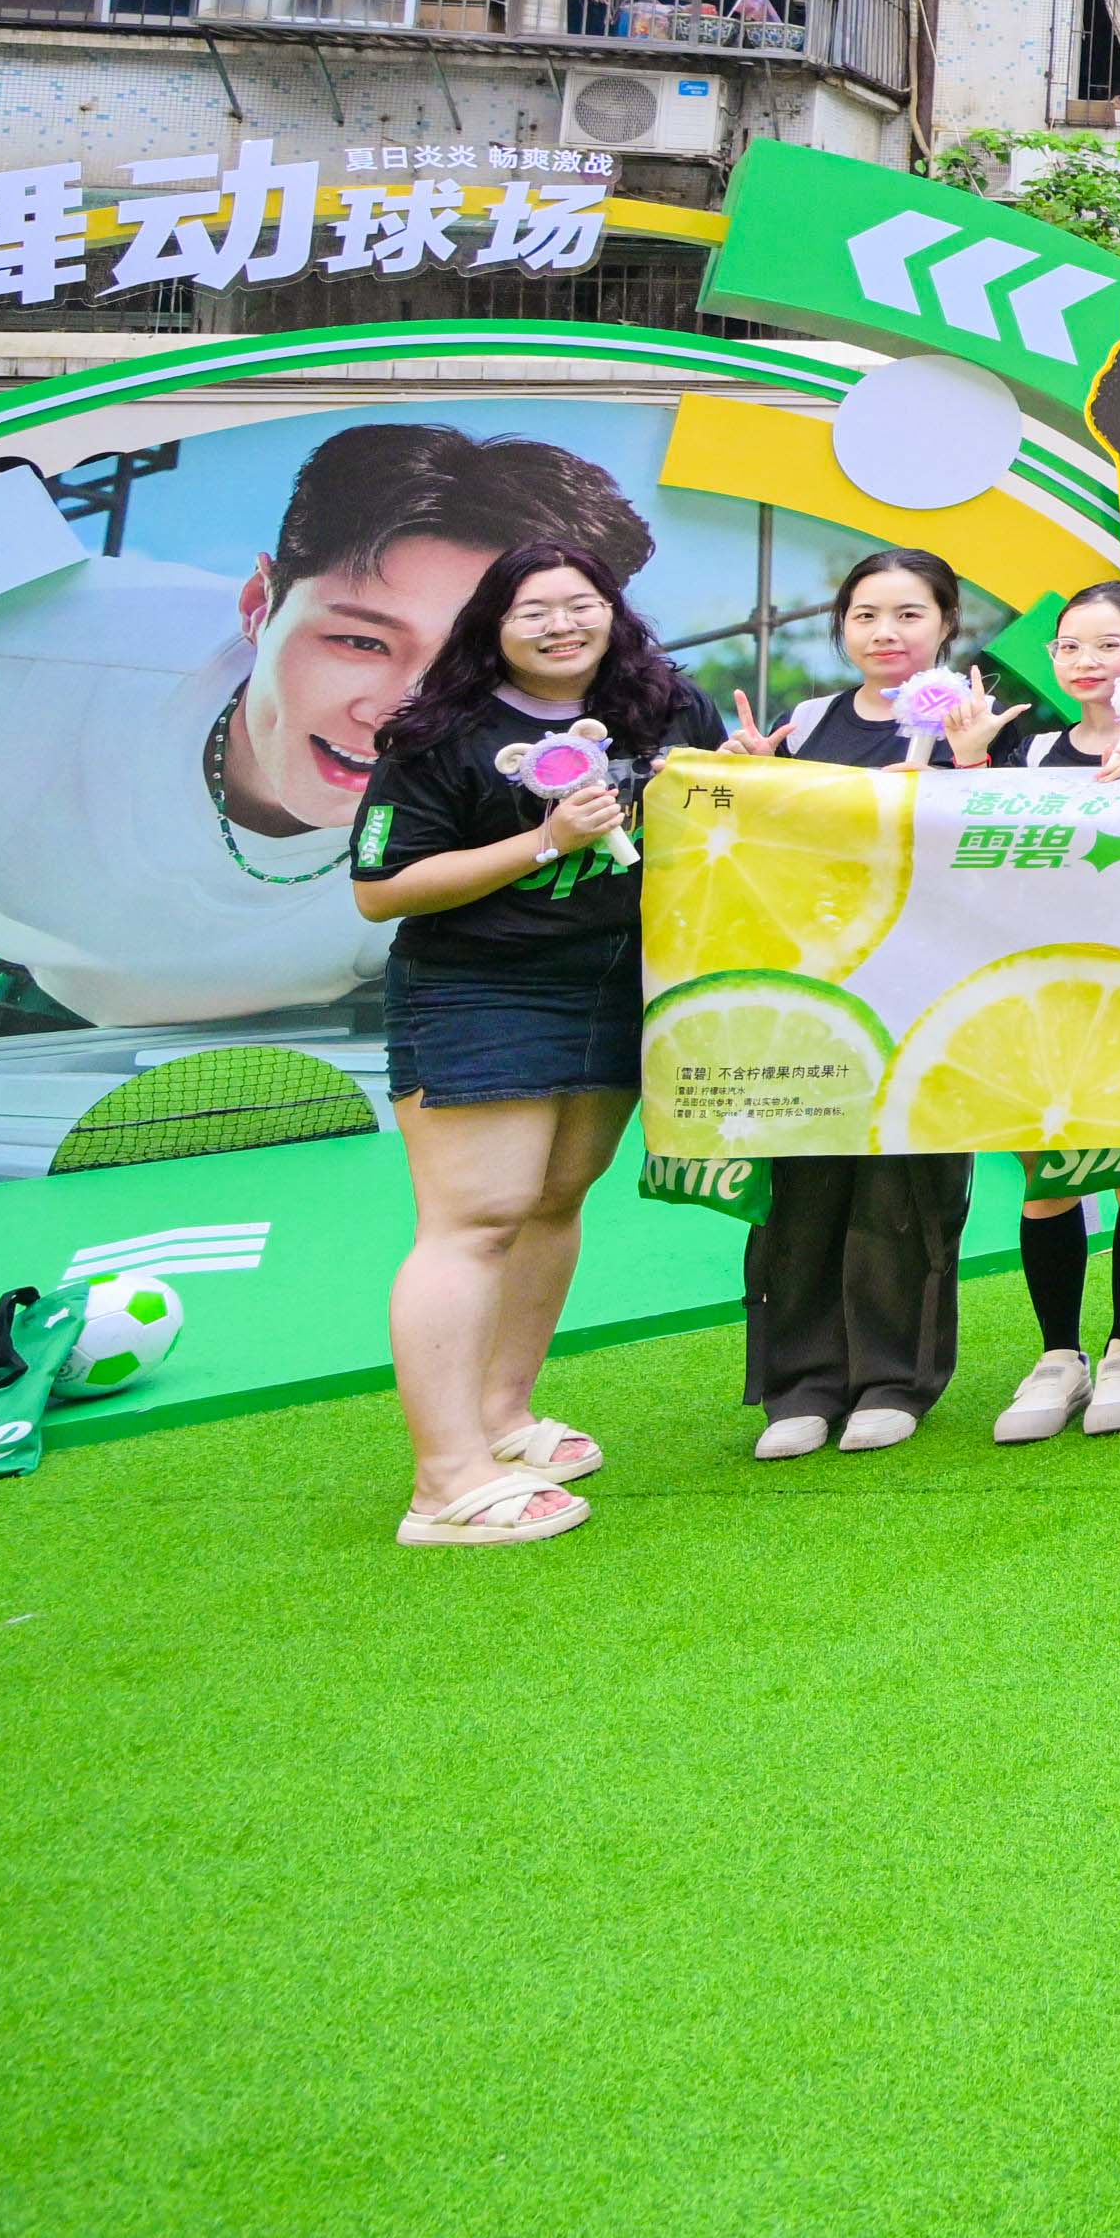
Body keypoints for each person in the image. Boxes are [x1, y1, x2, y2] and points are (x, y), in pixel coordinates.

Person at [0, 418, 655, 1119]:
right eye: (360, 642)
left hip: (304, 1024)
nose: (402, 714)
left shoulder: (565, 765)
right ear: (260, 607)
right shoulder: (46, 642)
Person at [346, 535, 714, 1545]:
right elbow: (381, 890)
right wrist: (546, 840)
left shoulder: (668, 705)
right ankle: (444, 1481)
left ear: (613, 611)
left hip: (619, 981)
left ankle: (501, 1417)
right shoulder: (441, 732)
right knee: (475, 1220)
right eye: (533, 611)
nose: (562, 625)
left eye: (580, 603)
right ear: (493, 627)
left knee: (555, 1200)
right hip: (479, 988)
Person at [718, 547, 996, 1460]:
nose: (886, 632)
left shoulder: (978, 720)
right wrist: (752, 783)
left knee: (906, 1188)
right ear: (841, 626)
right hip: (813, 989)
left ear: (947, 624)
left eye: (910, 614)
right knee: (802, 1188)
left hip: (925, 989)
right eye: (867, 614)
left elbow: (1007, 856)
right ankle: (800, 1384)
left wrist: (970, 764)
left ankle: (893, 1380)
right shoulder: (806, 724)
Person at [984, 578, 1120, 1445]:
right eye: (1070, 645)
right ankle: (1057, 1357)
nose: (1087, 661)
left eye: (1110, 645)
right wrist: (966, 767)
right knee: (1048, 1182)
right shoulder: (1030, 750)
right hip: (1040, 997)